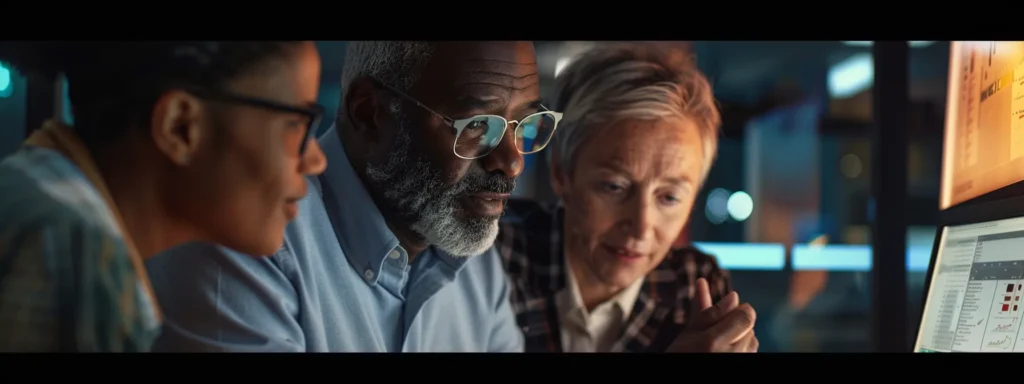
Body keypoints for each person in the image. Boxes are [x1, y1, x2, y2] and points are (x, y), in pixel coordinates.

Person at [148, 41, 559, 352]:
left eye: (524, 124)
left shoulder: (474, 264)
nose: (512, 162)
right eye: (476, 126)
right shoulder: (247, 241)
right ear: (369, 112)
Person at [0, 41, 328, 352]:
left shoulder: (46, 205)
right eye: (297, 124)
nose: (317, 160)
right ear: (180, 126)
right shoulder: (72, 253)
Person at [496, 43, 758, 353]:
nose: (640, 228)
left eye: (670, 197)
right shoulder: (497, 257)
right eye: (614, 187)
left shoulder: (695, 288)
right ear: (561, 173)